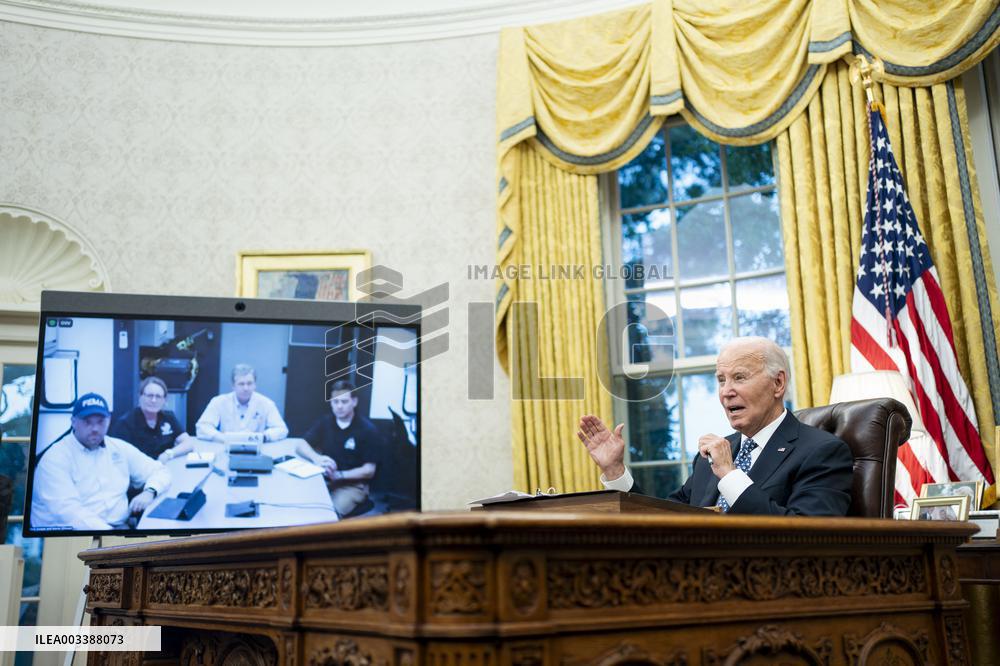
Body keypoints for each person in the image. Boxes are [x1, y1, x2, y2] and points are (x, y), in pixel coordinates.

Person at [578, 336, 854, 516]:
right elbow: (662, 520)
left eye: (739, 377)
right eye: (721, 380)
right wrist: (615, 471)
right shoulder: (710, 457)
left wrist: (730, 475)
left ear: (778, 384)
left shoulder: (823, 452)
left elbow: (807, 538)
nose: (726, 392)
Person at [30, 393, 171, 530]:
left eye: (101, 422)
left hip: (117, 527)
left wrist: (150, 491)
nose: (95, 429)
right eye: (87, 422)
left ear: (109, 420)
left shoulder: (118, 447)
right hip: (68, 537)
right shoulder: (54, 458)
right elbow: (69, 513)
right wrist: (112, 537)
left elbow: (160, 471)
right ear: (73, 422)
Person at [296, 380, 382, 518]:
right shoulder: (326, 422)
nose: (339, 406)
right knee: (301, 504)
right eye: (335, 402)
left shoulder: (367, 430)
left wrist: (339, 475)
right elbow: (300, 444)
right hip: (326, 479)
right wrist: (316, 458)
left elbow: (369, 471)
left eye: (344, 401)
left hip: (352, 485)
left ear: (354, 402)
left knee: (327, 515)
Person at [195, 364, 288, 443]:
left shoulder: (266, 403)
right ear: (233, 386)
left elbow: (282, 429)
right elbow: (202, 427)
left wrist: (263, 437)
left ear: (255, 385)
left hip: (257, 449)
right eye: (241, 384)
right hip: (226, 446)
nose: (246, 388)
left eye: (249, 383)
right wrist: (224, 438)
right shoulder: (218, 402)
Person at [109, 376, 194, 462]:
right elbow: (117, 456)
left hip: (164, 468)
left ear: (164, 400)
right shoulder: (125, 424)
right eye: (150, 396)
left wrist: (168, 454)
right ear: (140, 397)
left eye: (158, 396)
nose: (154, 400)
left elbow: (188, 443)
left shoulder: (169, 418)